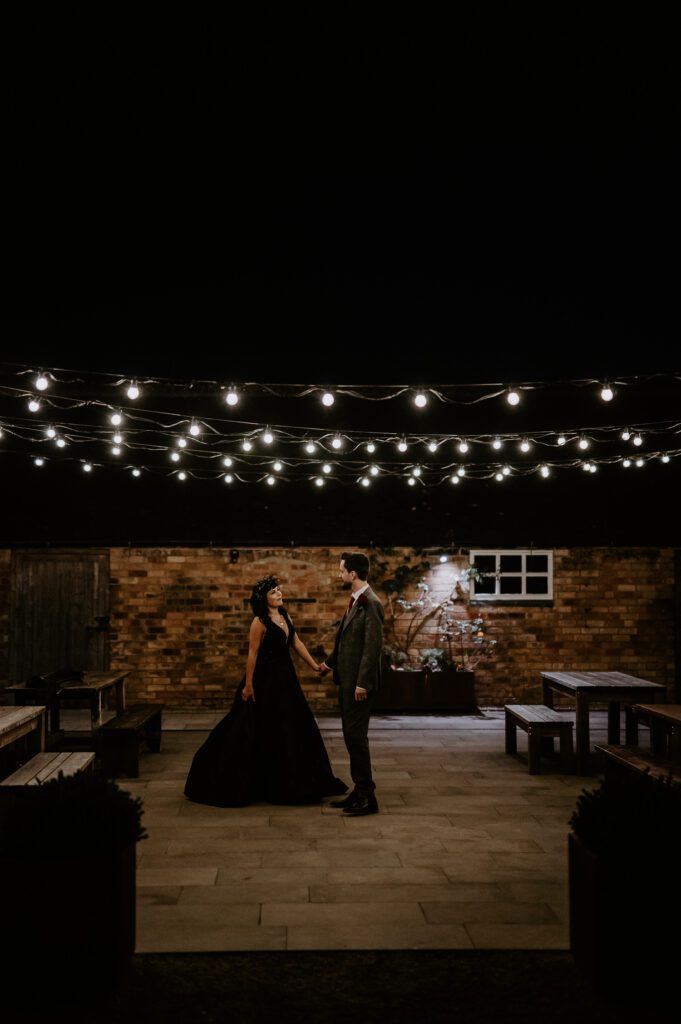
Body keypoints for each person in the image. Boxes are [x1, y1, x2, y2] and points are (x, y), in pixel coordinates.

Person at [184, 575, 347, 807]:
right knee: (254, 726)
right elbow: (253, 653)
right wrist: (249, 684)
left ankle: (295, 779)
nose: (279, 594)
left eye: (280, 590)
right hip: (264, 680)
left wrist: (314, 665)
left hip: (285, 678)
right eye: (274, 592)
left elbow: (297, 643)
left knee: (293, 725)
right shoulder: (259, 622)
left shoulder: (285, 616)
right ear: (264, 598)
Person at [321, 552, 384, 816]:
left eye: (342, 570)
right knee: (351, 736)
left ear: (353, 574)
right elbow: (346, 641)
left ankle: (367, 796)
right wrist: (328, 664)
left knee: (356, 737)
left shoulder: (370, 603)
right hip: (347, 681)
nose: (340, 574)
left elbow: (372, 647)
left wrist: (362, 683)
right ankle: (359, 790)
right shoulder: (356, 601)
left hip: (358, 685)